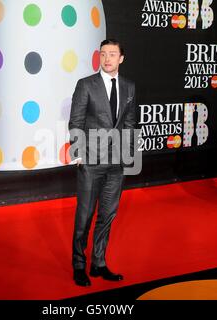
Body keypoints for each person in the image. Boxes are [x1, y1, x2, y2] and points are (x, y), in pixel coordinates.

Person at [68, 39, 136, 287]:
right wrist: (78, 155)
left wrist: (128, 157)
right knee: (84, 217)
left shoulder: (129, 87)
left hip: (116, 163)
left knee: (107, 215)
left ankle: (98, 263)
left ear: (121, 58)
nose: (107, 58)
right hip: (90, 162)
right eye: (103, 54)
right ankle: (78, 265)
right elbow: (75, 121)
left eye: (112, 54)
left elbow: (129, 124)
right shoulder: (86, 84)